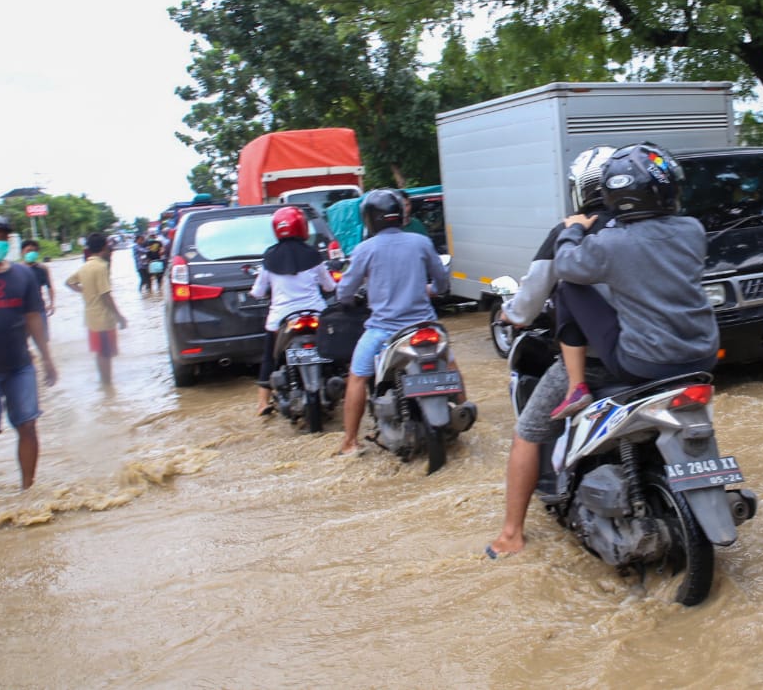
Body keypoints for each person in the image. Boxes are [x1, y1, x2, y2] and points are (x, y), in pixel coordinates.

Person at [486, 146, 616, 559]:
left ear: (581, 189)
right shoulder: (646, 227)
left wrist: (510, 313)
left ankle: (511, 535)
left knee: (526, 432)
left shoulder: (568, 231)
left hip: (596, 363)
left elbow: (527, 304)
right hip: (655, 356)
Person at [547, 143, 719, 425]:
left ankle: (576, 386)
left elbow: (565, 265)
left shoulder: (611, 244)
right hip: (704, 357)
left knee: (568, 287)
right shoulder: (693, 230)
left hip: (644, 364)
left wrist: (573, 229)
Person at [333, 189, 459, 457]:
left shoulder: (364, 249)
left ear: (370, 219)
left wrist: (350, 297)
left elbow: (344, 292)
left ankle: (350, 441)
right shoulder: (421, 242)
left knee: (356, 377)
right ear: (399, 215)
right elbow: (442, 282)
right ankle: (463, 411)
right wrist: (429, 289)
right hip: (426, 327)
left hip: (383, 331)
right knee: (449, 363)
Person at [248, 206, 338, 417]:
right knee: (336, 354)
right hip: (316, 315)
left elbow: (259, 291)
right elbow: (329, 287)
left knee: (270, 357)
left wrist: (256, 294)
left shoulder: (269, 258)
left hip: (282, 319)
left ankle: (262, 402)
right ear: (302, 227)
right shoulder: (314, 255)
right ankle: (339, 384)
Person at [0, 214, 57, 490]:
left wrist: (47, 358)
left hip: (20, 365)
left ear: (8, 240)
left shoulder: (24, 274)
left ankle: (27, 490)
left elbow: (33, 318)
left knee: (28, 426)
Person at [65, 232, 128, 386]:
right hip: (103, 318)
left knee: (100, 353)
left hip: (91, 318)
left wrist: (85, 291)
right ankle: (108, 385)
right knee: (106, 353)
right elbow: (106, 296)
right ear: (104, 246)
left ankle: (104, 384)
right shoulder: (101, 267)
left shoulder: (86, 266)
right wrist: (120, 317)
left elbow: (69, 282)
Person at [19, 240, 55, 333]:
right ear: (22, 252)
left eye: (34, 251)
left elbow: (50, 287)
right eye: (28, 251)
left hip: (39, 309)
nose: (31, 253)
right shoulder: (16, 270)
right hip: (21, 310)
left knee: (43, 338)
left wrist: (51, 304)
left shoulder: (42, 269)